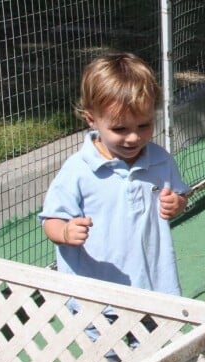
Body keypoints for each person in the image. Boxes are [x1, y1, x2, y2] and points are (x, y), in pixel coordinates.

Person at [39, 52, 189, 295]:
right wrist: (65, 232)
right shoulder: (79, 170)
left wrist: (177, 203)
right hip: (97, 293)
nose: (134, 137)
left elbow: (181, 194)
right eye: (119, 129)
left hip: (154, 288)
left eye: (144, 125)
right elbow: (51, 220)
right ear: (91, 119)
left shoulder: (160, 160)